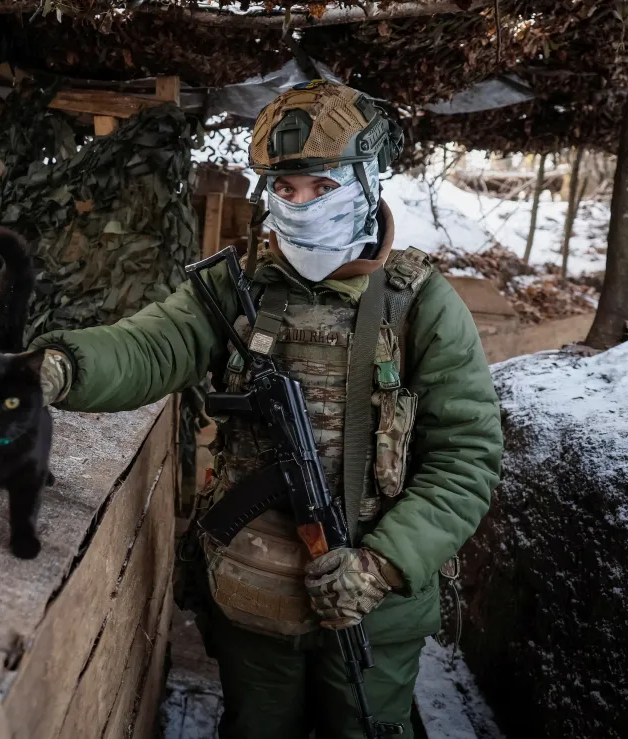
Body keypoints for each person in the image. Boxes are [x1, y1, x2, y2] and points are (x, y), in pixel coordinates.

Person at [30, 80, 503, 739]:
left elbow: (467, 457)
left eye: (320, 186)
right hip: (250, 599)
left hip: (374, 608)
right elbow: (148, 346)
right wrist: (59, 366)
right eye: (284, 188)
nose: (300, 205)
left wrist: (382, 564)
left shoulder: (420, 302)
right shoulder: (236, 285)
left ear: (368, 181)